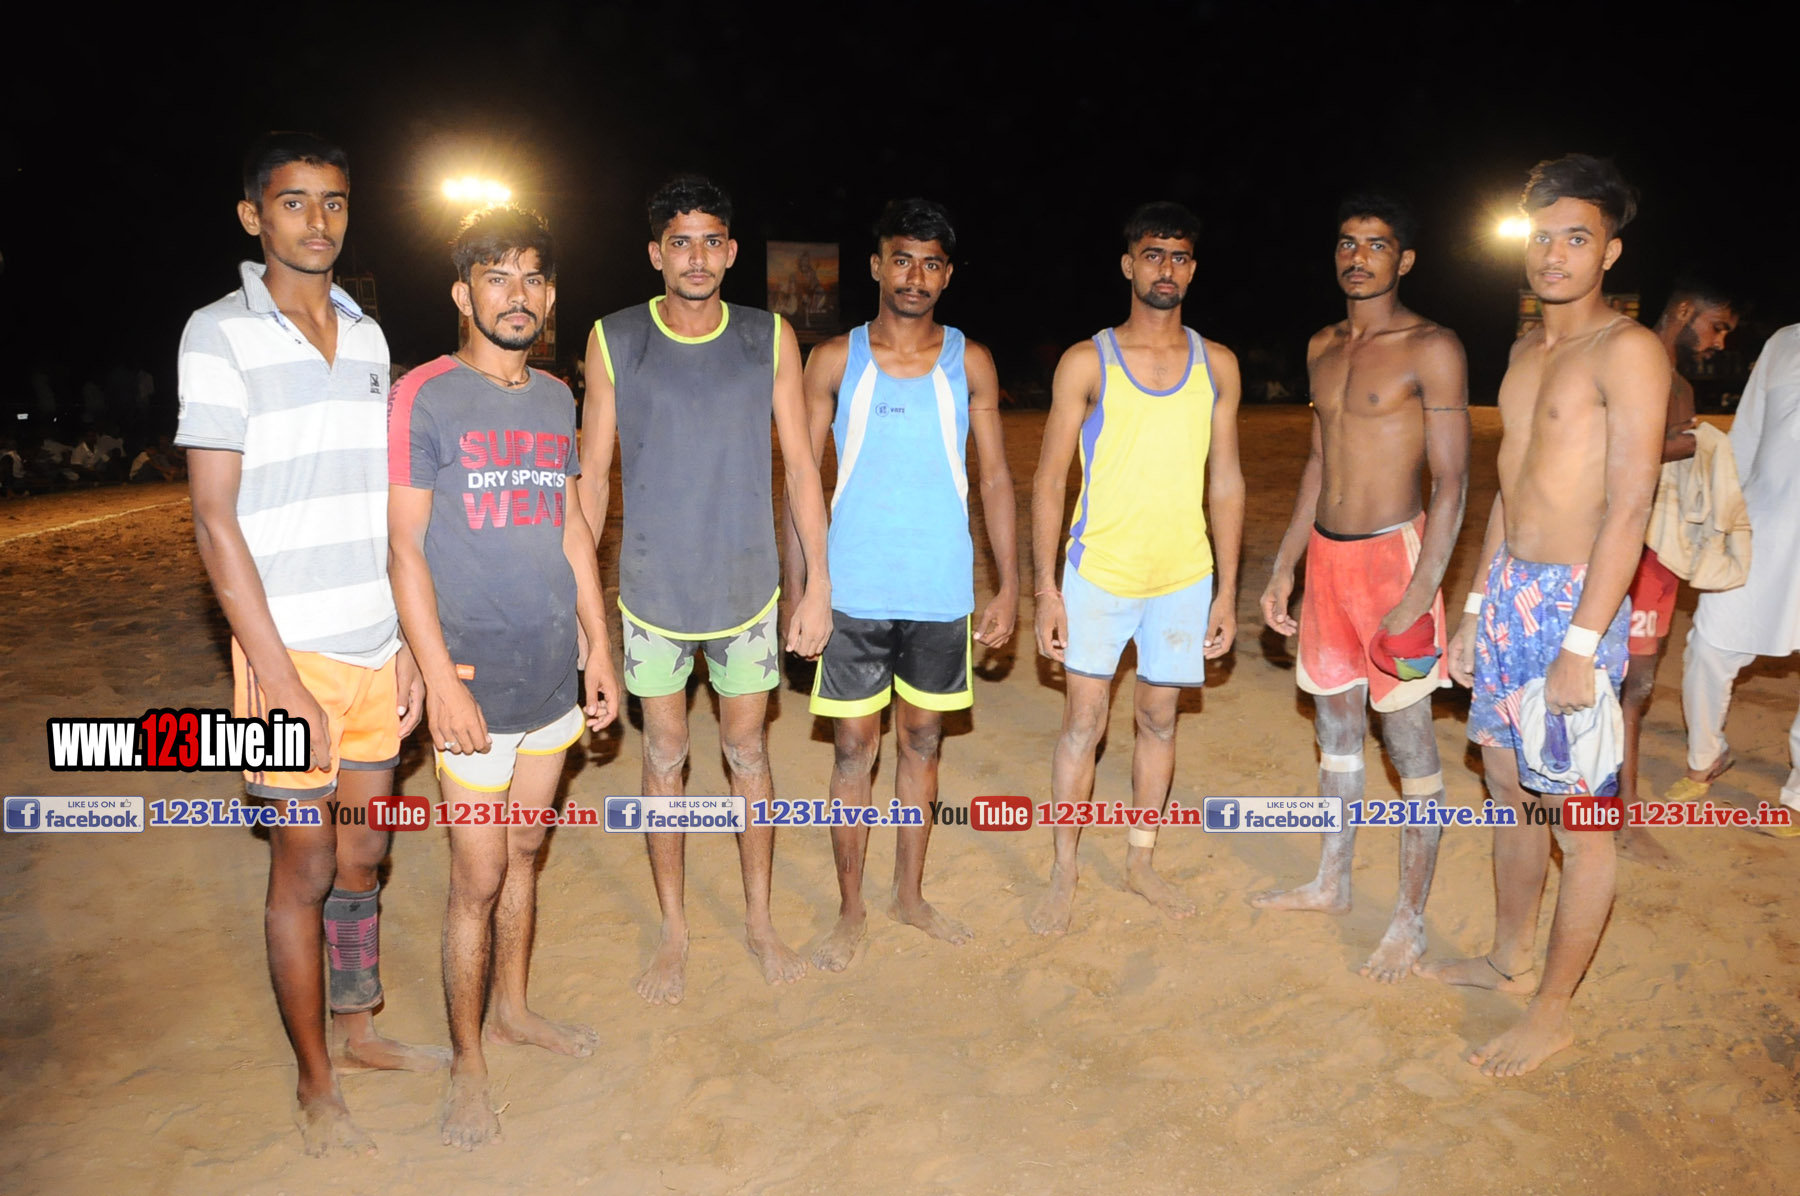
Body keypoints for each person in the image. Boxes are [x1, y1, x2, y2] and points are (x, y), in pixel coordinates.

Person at [176, 132, 442, 1156]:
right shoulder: (217, 334)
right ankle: (314, 1080)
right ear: (254, 216)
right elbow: (213, 521)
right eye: (294, 202)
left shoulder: (370, 337)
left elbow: (385, 504)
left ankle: (359, 1026)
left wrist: (409, 637)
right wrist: (278, 678)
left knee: (364, 850)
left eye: (333, 201)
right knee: (304, 863)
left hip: (375, 645)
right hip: (284, 656)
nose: (317, 220)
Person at [1420, 155, 1670, 1076]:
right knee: (1507, 789)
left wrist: (1580, 646)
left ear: (1610, 251)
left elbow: (1630, 506)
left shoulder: (1628, 351)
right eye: (1542, 236)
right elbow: (1510, 489)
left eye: (1576, 238)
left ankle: (1553, 1011)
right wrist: (1472, 608)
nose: (1554, 254)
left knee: (1581, 822)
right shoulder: (1526, 351)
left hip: (1576, 603)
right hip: (1510, 595)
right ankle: (1506, 957)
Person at [389, 206, 620, 1148]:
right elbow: (404, 547)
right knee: (476, 878)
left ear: (550, 296)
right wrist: (439, 680)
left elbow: (570, 527)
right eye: (496, 277)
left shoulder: (558, 399)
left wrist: (598, 643)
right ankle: (468, 1062)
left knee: (525, 852)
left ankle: (515, 1010)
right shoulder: (426, 396)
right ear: (463, 293)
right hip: (473, 683)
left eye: (531, 278)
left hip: (550, 680)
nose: (516, 295)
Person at [576, 174, 834, 1003]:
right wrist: (582, 609)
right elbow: (592, 479)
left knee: (747, 752)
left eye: (711, 241)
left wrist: (817, 585)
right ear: (656, 254)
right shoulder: (615, 338)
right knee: (663, 754)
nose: (696, 257)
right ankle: (674, 930)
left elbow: (802, 469)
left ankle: (759, 921)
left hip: (747, 590)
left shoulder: (769, 336)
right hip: (653, 592)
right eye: (679, 242)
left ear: (731, 251)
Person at [788, 199, 1018, 971]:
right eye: (902, 260)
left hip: (938, 589)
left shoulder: (971, 361)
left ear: (946, 276)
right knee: (854, 750)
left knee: (922, 743)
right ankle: (851, 909)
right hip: (853, 590)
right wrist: (802, 588)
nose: (915, 276)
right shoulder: (833, 360)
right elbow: (799, 482)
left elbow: (995, 478)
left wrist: (1010, 586)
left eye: (931, 263)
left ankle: (909, 896)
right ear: (877, 266)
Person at [1253, 192, 1469, 980]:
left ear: (1403, 259)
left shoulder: (1433, 346)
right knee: (1336, 731)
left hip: (1394, 565)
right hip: (1329, 563)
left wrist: (1418, 594)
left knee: (1409, 743)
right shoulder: (1323, 346)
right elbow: (1319, 460)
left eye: (1376, 245)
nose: (1358, 257)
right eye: (1347, 243)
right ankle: (1332, 882)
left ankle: (1410, 922)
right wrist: (1286, 564)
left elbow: (1453, 481)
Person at [1027, 201, 1244, 935]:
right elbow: (1049, 478)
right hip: (1100, 574)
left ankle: (1141, 859)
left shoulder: (1218, 365)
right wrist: (1045, 590)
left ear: (1193, 269)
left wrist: (1225, 593)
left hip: (1182, 576)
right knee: (1082, 724)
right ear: (1128, 265)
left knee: (1158, 720)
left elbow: (1227, 482)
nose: (1166, 269)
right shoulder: (1087, 361)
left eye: (1179, 257)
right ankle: (1064, 868)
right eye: (1153, 255)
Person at [1612, 280, 1740, 865]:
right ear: (1685, 311)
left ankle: (1622, 812)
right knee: (1589, 675)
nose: (1717, 342)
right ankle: (1603, 808)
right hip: (1603, 540)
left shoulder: (1682, 386)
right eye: (1716, 326)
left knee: (1635, 685)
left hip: (1654, 555)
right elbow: (1602, 448)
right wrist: (1683, 446)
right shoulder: (1621, 354)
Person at [1671, 322, 1800, 834]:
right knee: (1709, 645)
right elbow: (1746, 436)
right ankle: (1705, 756)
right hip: (1761, 527)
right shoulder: (1785, 342)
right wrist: (1724, 519)